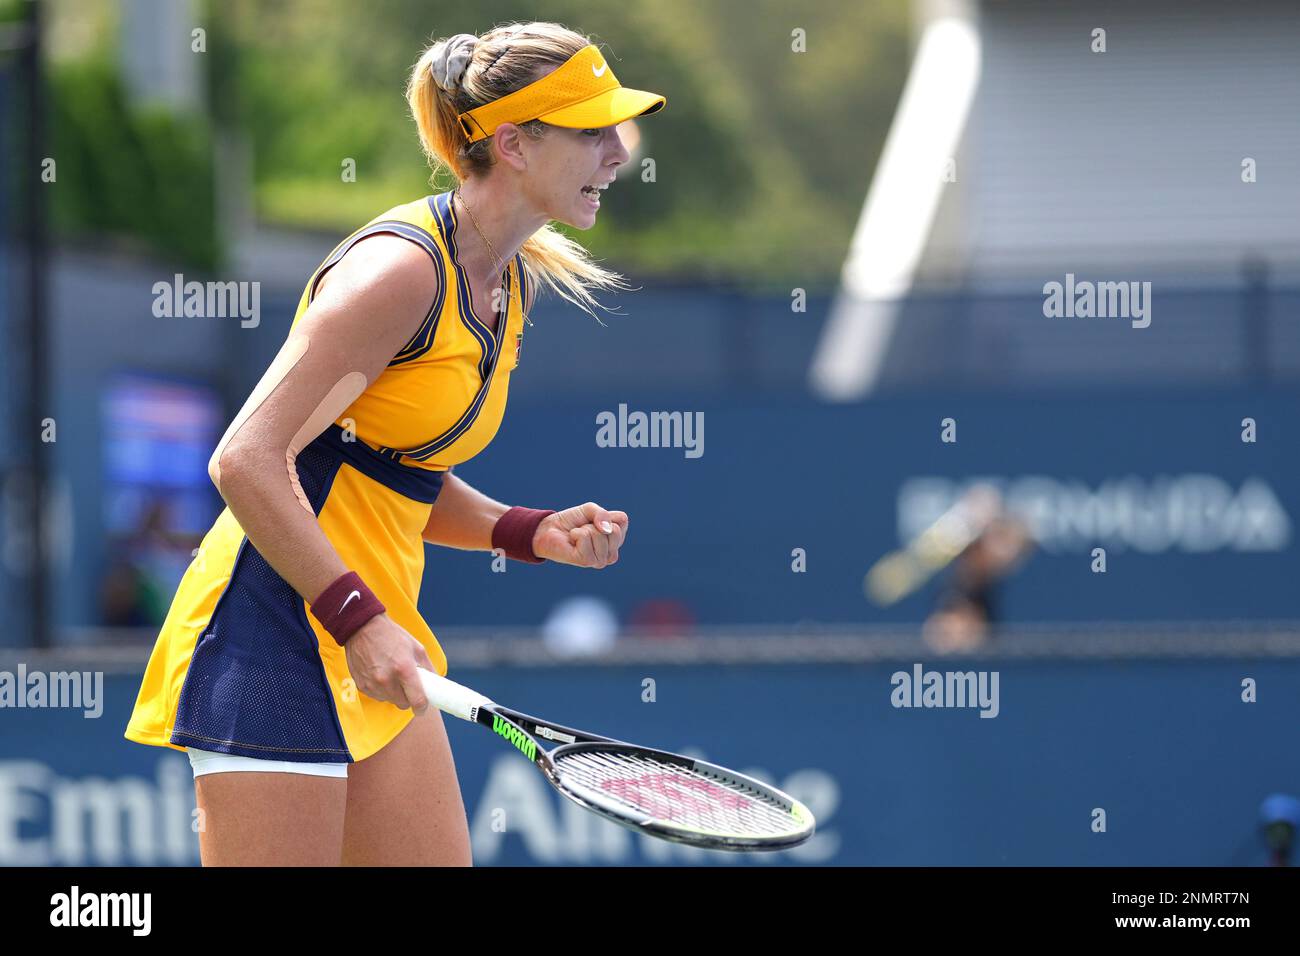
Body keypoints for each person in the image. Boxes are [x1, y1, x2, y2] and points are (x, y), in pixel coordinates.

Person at [124, 22, 666, 866]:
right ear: (515, 144)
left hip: (374, 632)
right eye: (591, 129)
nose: (617, 152)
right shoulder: (400, 274)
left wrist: (522, 530)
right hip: (276, 629)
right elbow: (247, 459)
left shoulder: (510, 279)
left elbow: (381, 470)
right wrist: (356, 618)